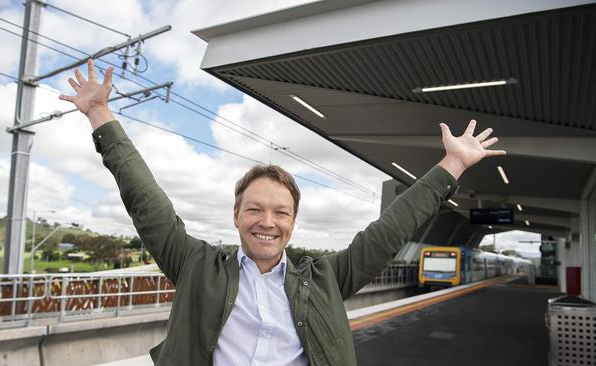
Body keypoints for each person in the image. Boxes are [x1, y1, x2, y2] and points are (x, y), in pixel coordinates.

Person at [60, 60, 505, 366]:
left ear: (293, 222)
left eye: (280, 212)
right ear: (236, 215)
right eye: (254, 209)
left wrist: (452, 166)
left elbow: (390, 230)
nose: (267, 222)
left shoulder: (327, 277)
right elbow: (145, 200)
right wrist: (101, 115)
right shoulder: (195, 265)